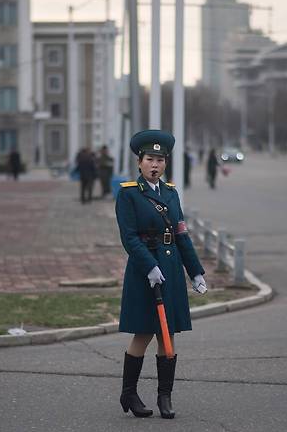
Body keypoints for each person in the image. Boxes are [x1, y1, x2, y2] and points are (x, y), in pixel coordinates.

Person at [115, 129, 208, 420]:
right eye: (150, 159)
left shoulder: (171, 192)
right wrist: (149, 266)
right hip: (145, 270)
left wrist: (195, 272)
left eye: (160, 160)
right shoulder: (129, 193)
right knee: (143, 331)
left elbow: (181, 234)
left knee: (167, 335)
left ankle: (164, 396)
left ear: (165, 163)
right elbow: (129, 238)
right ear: (140, 162)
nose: (155, 165)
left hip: (169, 268)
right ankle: (129, 392)